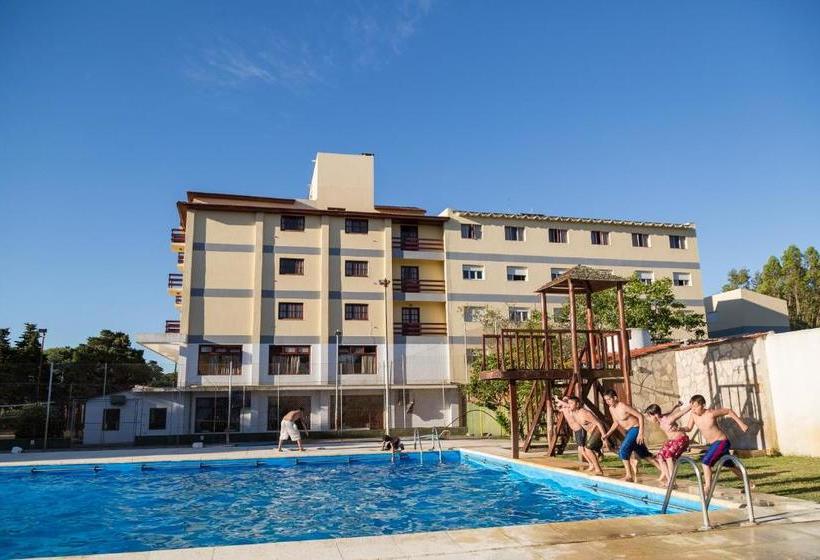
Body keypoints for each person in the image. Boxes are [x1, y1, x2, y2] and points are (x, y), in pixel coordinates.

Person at [684, 394, 749, 491]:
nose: (693, 409)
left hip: (721, 442)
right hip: (715, 444)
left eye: (695, 406)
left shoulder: (711, 413)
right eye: (692, 406)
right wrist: (680, 429)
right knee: (730, 465)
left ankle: (707, 488)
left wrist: (741, 424)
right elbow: (688, 428)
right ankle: (750, 484)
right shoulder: (693, 415)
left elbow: (728, 411)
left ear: (703, 405)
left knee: (705, 462)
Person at [602, 389, 658, 482]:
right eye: (606, 400)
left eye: (609, 399)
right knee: (644, 454)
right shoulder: (611, 409)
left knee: (623, 450)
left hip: (635, 429)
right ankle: (664, 470)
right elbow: (616, 422)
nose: (607, 402)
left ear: (615, 398)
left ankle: (629, 476)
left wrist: (641, 432)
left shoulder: (623, 406)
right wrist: (607, 434)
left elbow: (640, 416)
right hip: (628, 431)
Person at [644, 402, 690, 484]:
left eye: (649, 416)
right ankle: (669, 480)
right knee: (660, 457)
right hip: (672, 441)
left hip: (681, 439)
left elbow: (681, 413)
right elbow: (669, 411)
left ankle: (672, 481)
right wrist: (675, 406)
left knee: (669, 456)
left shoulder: (668, 419)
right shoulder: (660, 418)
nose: (649, 419)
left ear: (655, 415)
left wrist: (691, 406)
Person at [566, 396, 610, 476]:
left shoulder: (585, 413)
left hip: (599, 429)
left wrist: (605, 438)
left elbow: (599, 423)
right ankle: (598, 456)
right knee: (613, 448)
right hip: (593, 433)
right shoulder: (574, 413)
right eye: (568, 403)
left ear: (577, 404)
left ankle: (598, 470)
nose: (569, 405)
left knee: (587, 448)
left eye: (571, 403)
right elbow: (565, 405)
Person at [554, 396, 594, 470]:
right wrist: (557, 402)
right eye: (564, 400)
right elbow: (558, 408)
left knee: (581, 449)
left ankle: (591, 463)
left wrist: (558, 400)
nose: (564, 401)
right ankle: (592, 462)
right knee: (582, 449)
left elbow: (566, 405)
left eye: (566, 400)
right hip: (576, 431)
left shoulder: (570, 409)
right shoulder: (564, 409)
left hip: (579, 430)